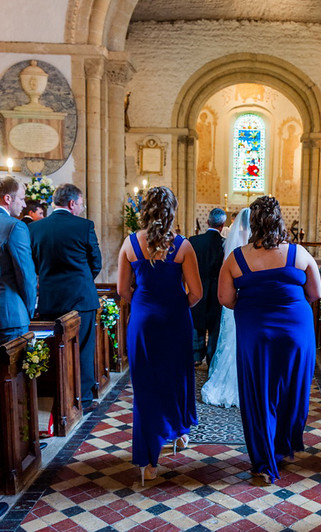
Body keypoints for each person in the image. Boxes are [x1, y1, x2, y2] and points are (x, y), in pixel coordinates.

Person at [218, 196, 321, 485]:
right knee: (292, 389)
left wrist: (254, 302)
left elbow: (225, 298)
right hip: (295, 331)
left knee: (258, 393)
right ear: (279, 219)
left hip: (255, 330)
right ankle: (282, 447)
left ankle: (263, 462)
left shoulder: (236, 258)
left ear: (252, 223)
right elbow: (316, 294)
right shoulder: (299, 254)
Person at [117, 186, 202, 483]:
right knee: (176, 379)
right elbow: (197, 293)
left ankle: (149, 463)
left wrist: (145, 304)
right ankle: (178, 433)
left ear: (144, 210)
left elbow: (122, 290)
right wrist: (175, 306)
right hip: (175, 321)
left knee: (145, 388)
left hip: (142, 323)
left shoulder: (129, 245)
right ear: (172, 212)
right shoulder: (183, 247)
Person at [30, 184, 102, 410]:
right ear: (72, 204)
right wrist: (81, 281)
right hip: (82, 300)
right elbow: (96, 262)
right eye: (81, 204)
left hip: (50, 300)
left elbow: (33, 264)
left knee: (54, 349)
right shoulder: (84, 226)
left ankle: (57, 398)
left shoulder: (35, 228)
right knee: (83, 348)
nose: (81, 208)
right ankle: (83, 400)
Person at [201, 208, 251, 408]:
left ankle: (229, 380)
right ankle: (249, 382)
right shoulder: (258, 244)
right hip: (250, 300)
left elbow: (225, 271)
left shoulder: (232, 242)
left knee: (231, 339)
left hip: (235, 299)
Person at [0, 176, 36, 344]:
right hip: (10, 317)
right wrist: (29, 311)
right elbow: (26, 275)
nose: (23, 205)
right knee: (12, 371)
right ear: (8, 198)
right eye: (21, 199)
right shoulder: (15, 226)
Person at [189, 207, 226, 365]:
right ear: (222, 225)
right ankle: (211, 358)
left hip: (197, 287)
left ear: (207, 221)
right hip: (217, 291)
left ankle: (196, 356)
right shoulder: (225, 244)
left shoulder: (193, 241)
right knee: (214, 327)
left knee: (197, 322)